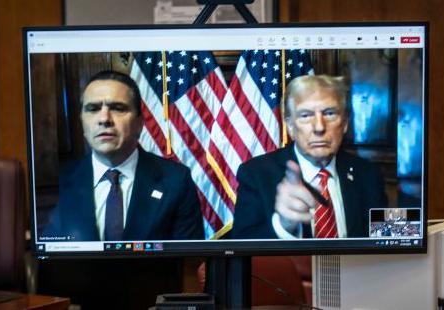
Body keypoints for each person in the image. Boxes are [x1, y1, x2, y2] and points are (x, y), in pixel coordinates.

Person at [41, 70, 204, 241]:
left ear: (139, 124)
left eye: (118, 108)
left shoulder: (176, 181)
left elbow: (187, 262)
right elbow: (50, 260)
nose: (104, 119)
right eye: (93, 109)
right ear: (82, 122)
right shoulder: (60, 181)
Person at [231, 75, 388, 239]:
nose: (319, 127)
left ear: (345, 123)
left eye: (329, 113)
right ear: (290, 126)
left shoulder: (368, 174)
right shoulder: (256, 174)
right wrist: (284, 226)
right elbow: (242, 251)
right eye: (305, 115)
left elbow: (387, 241)